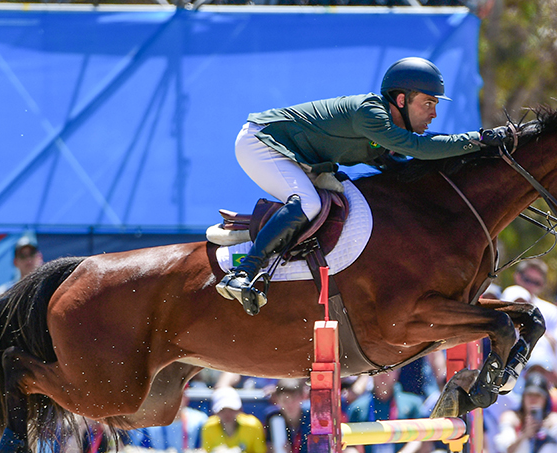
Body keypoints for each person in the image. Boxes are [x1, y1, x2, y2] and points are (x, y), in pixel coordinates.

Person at [217, 57, 509, 314]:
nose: (433, 113)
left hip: (297, 157)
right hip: (262, 143)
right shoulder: (371, 114)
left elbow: (404, 167)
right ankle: (243, 272)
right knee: (309, 203)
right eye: (428, 103)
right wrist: (478, 140)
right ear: (401, 100)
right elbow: (419, 148)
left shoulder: (384, 132)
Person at [344, 368, 427, 453]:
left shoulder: (413, 403)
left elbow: (420, 437)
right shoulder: (357, 407)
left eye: (389, 369)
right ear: (370, 374)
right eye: (378, 370)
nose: (383, 374)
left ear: (397, 372)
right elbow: (346, 444)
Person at [493, 373, 557, 453]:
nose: (533, 399)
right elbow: (507, 451)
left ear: (545, 399)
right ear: (523, 397)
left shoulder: (553, 419)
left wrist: (544, 431)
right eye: (529, 395)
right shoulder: (512, 418)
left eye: (537, 395)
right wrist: (525, 434)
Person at [201, 386, 267, 453]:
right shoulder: (208, 427)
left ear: (240, 410)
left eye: (232, 410)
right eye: (222, 410)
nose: (227, 414)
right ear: (215, 412)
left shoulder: (253, 425)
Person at [130, 393, 207, 451]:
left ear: (186, 398)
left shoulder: (200, 420)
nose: (173, 401)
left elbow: (204, 452)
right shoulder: (148, 422)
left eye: (177, 396)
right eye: (169, 397)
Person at [262, 379, 310, 453]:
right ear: (276, 399)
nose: (290, 404)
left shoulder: (312, 416)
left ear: (303, 397)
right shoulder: (272, 417)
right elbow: (271, 452)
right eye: (285, 400)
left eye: (294, 399)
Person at [506, 258, 557, 331]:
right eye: (527, 280)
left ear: (543, 285)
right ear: (517, 277)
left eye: (536, 283)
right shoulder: (506, 295)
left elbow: (552, 341)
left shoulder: (551, 311)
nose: (530, 285)